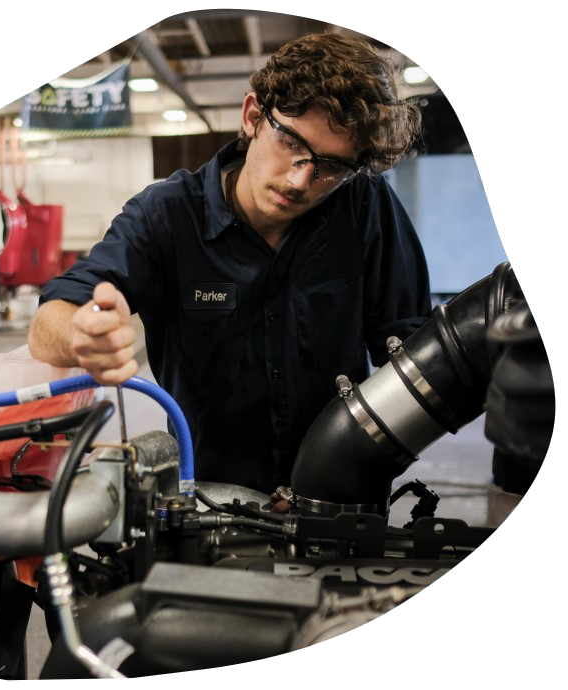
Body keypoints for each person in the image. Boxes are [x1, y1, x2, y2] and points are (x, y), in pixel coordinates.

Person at [28, 33, 432, 498]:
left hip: (339, 498)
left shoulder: (364, 204)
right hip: (208, 505)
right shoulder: (167, 215)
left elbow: (410, 352)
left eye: (329, 167)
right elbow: (47, 322)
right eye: (292, 144)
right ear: (253, 117)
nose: (301, 179)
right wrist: (82, 334)